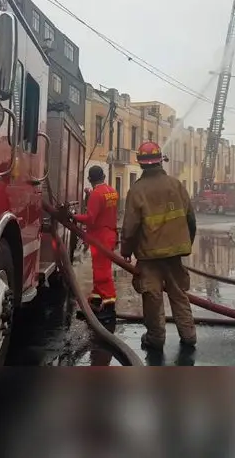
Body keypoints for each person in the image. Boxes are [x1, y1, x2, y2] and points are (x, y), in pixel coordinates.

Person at [120, 141, 198, 350]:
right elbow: (191, 218)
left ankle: (156, 337)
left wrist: (126, 251)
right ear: (160, 160)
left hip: (149, 255)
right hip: (175, 253)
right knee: (179, 293)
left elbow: (130, 226)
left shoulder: (137, 190)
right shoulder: (176, 184)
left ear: (141, 163)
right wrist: (186, 243)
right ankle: (188, 334)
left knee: (152, 296)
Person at [71, 165, 119, 327]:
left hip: (100, 237)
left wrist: (73, 216)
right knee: (100, 268)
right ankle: (97, 299)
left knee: (101, 271)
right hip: (110, 233)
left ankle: (108, 305)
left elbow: (91, 218)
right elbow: (104, 208)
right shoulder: (111, 190)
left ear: (90, 179)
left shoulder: (96, 194)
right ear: (104, 176)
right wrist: (89, 197)